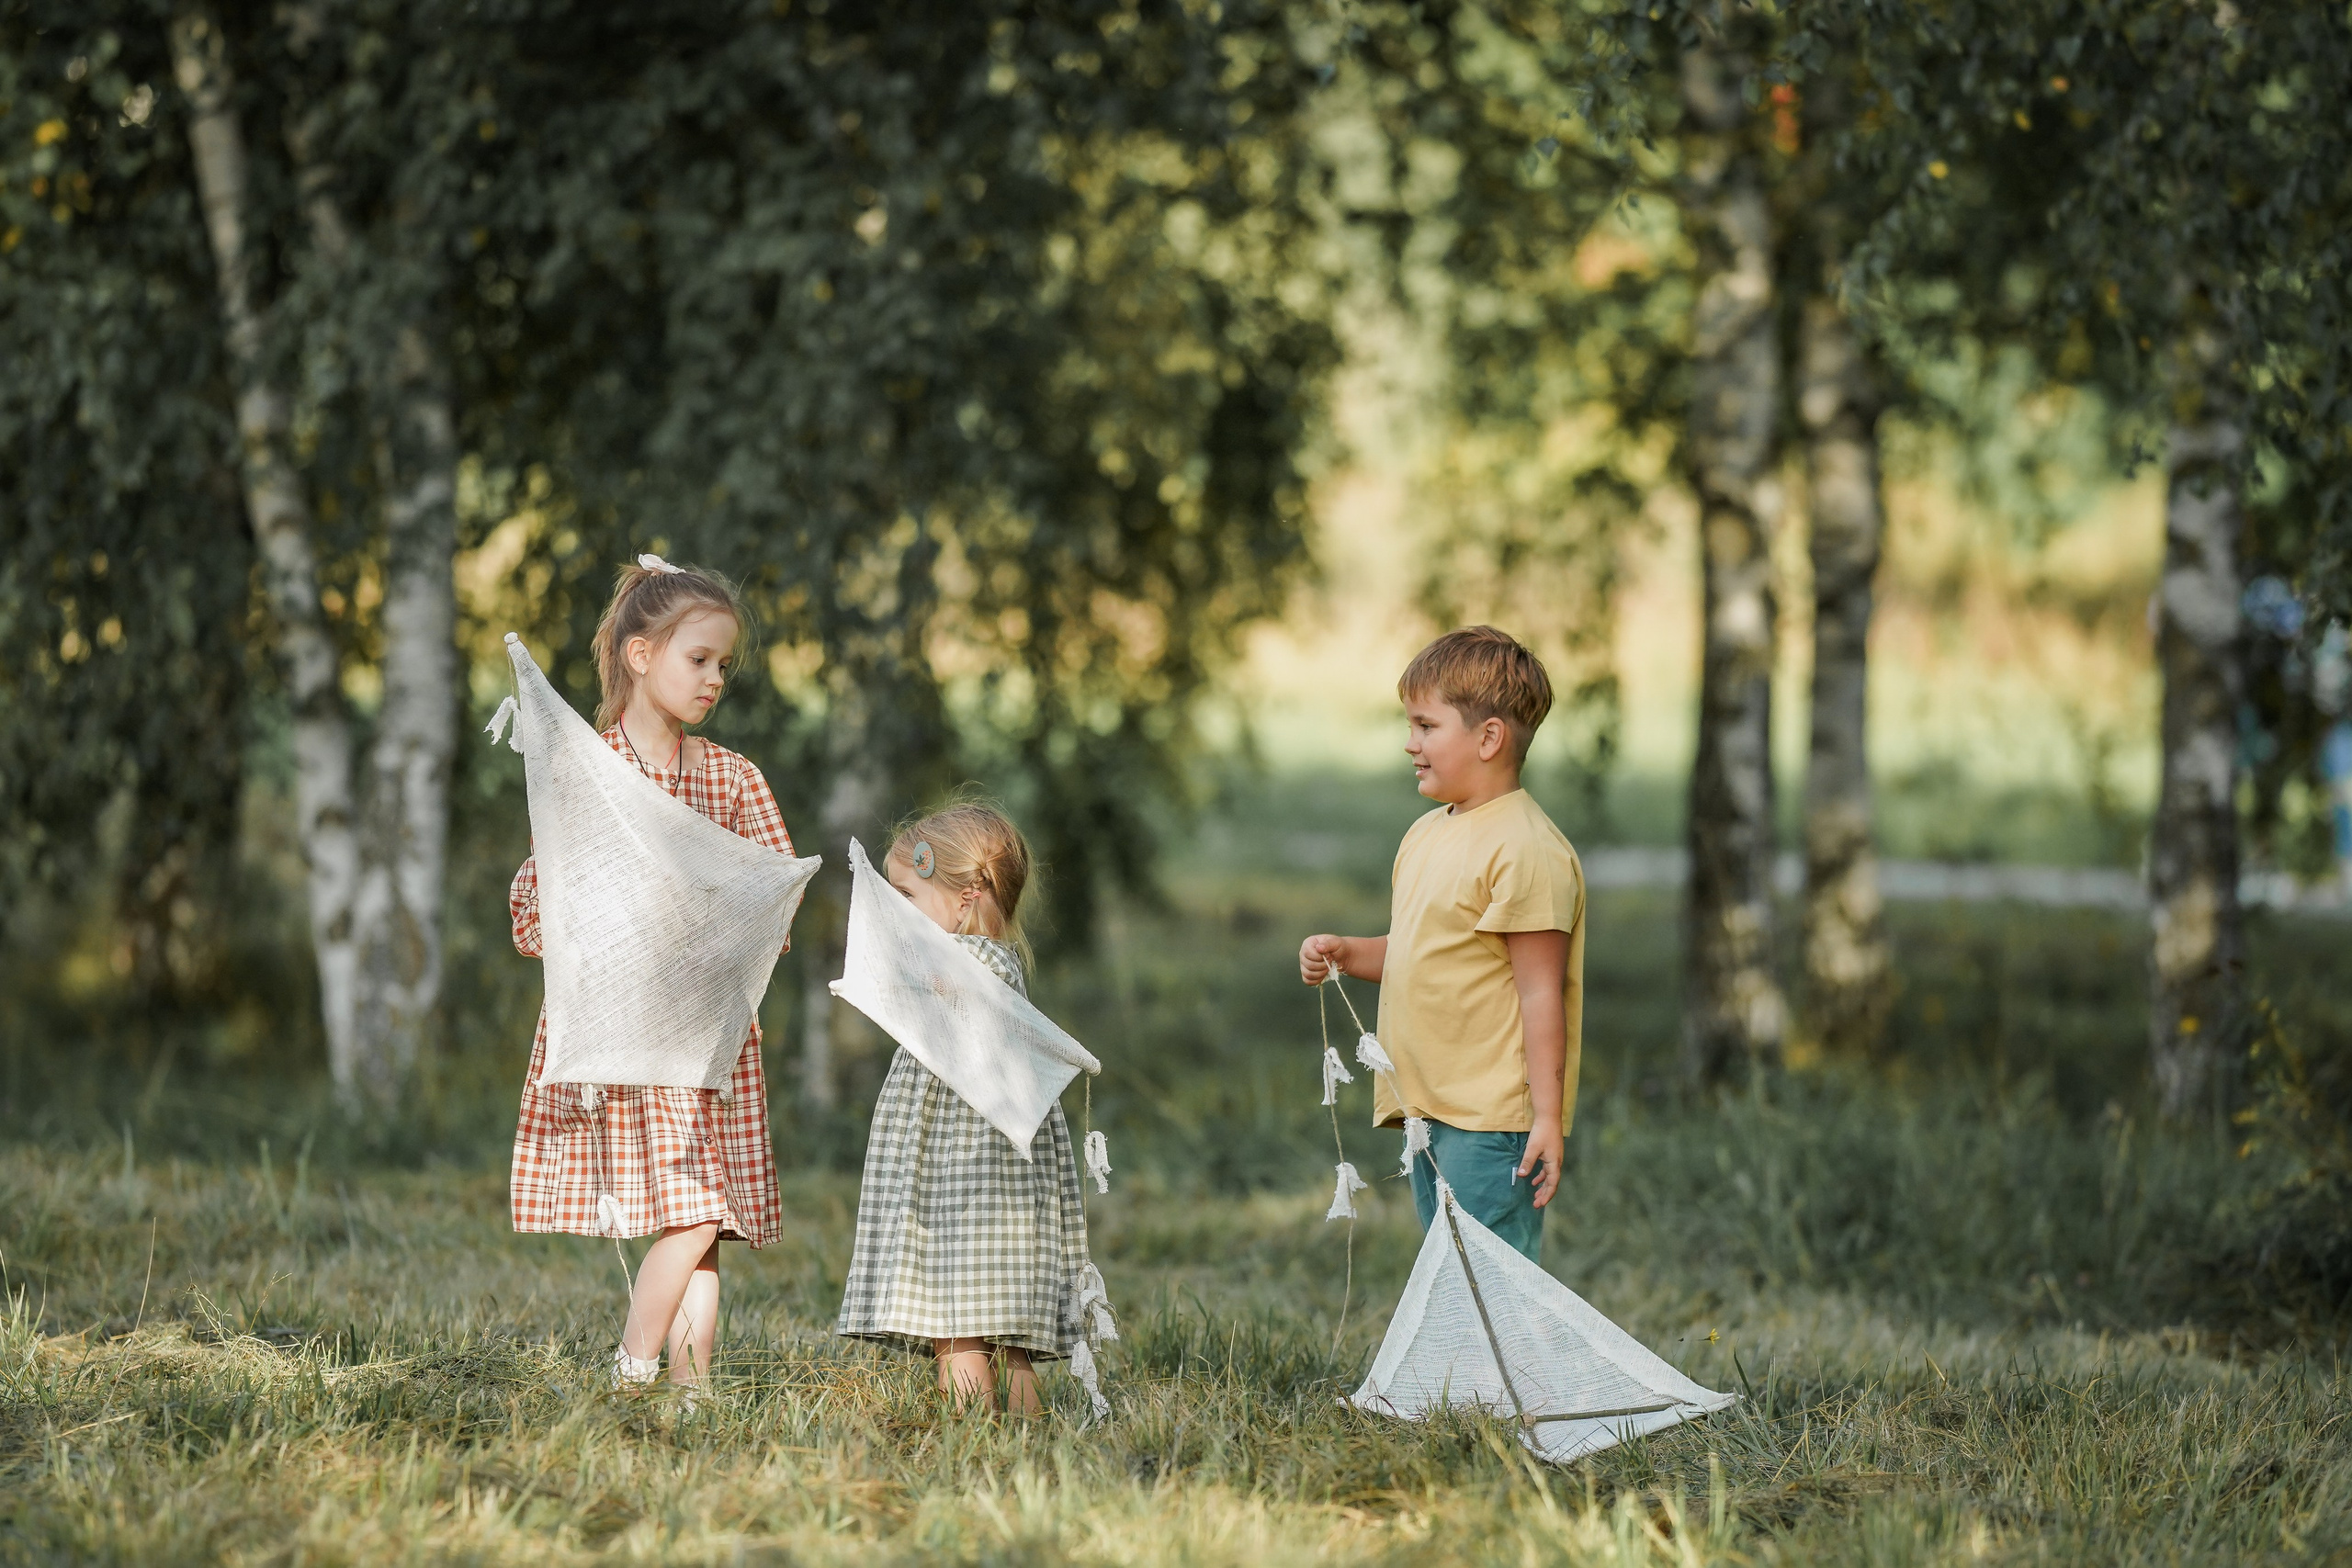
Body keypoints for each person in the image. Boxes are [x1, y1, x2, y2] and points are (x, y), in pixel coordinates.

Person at [508, 555, 793, 1397]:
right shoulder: (590, 774)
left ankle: (691, 1385)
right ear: (640, 655)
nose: (713, 679)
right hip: (628, 1039)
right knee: (695, 1208)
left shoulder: (732, 778)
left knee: (699, 1222)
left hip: (704, 1037)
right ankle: (634, 1369)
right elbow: (536, 914)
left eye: (722, 665)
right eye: (696, 659)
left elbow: (771, 904)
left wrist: (719, 925)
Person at [1297, 626, 1585, 1263]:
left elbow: (1542, 994)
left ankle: (1504, 1368)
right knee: (1449, 1268)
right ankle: (1468, 1367)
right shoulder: (1427, 834)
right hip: (1428, 1107)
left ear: (1488, 738)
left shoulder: (1526, 849)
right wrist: (1346, 951)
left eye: (1426, 726)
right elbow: (1418, 953)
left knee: (1489, 1274)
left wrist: (1544, 1118)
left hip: (1491, 1117)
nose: (1410, 743)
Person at [835, 801, 1092, 1415]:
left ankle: (971, 1442)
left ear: (968, 897)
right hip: (1001, 1167)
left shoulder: (962, 966)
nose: (898, 913)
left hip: (959, 1170)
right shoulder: (995, 963)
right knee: (1005, 1333)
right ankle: (1026, 1436)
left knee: (955, 1320)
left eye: (907, 895)